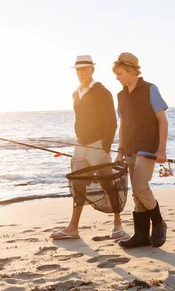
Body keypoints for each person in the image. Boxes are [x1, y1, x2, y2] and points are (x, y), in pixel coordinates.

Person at [50, 55, 123, 240]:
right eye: (78, 70)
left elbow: (111, 122)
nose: (80, 73)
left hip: (98, 146)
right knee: (77, 184)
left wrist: (105, 146)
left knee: (107, 183)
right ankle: (73, 228)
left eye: (84, 69)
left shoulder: (102, 91)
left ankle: (117, 225)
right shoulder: (76, 93)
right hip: (79, 145)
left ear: (92, 70)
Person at [112, 52, 169, 248]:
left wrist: (162, 150)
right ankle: (141, 234)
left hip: (147, 148)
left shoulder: (150, 89)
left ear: (130, 70)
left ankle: (159, 222)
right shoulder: (120, 95)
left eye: (119, 73)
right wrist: (119, 150)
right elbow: (122, 125)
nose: (117, 77)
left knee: (140, 187)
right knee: (137, 194)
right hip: (128, 148)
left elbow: (162, 120)